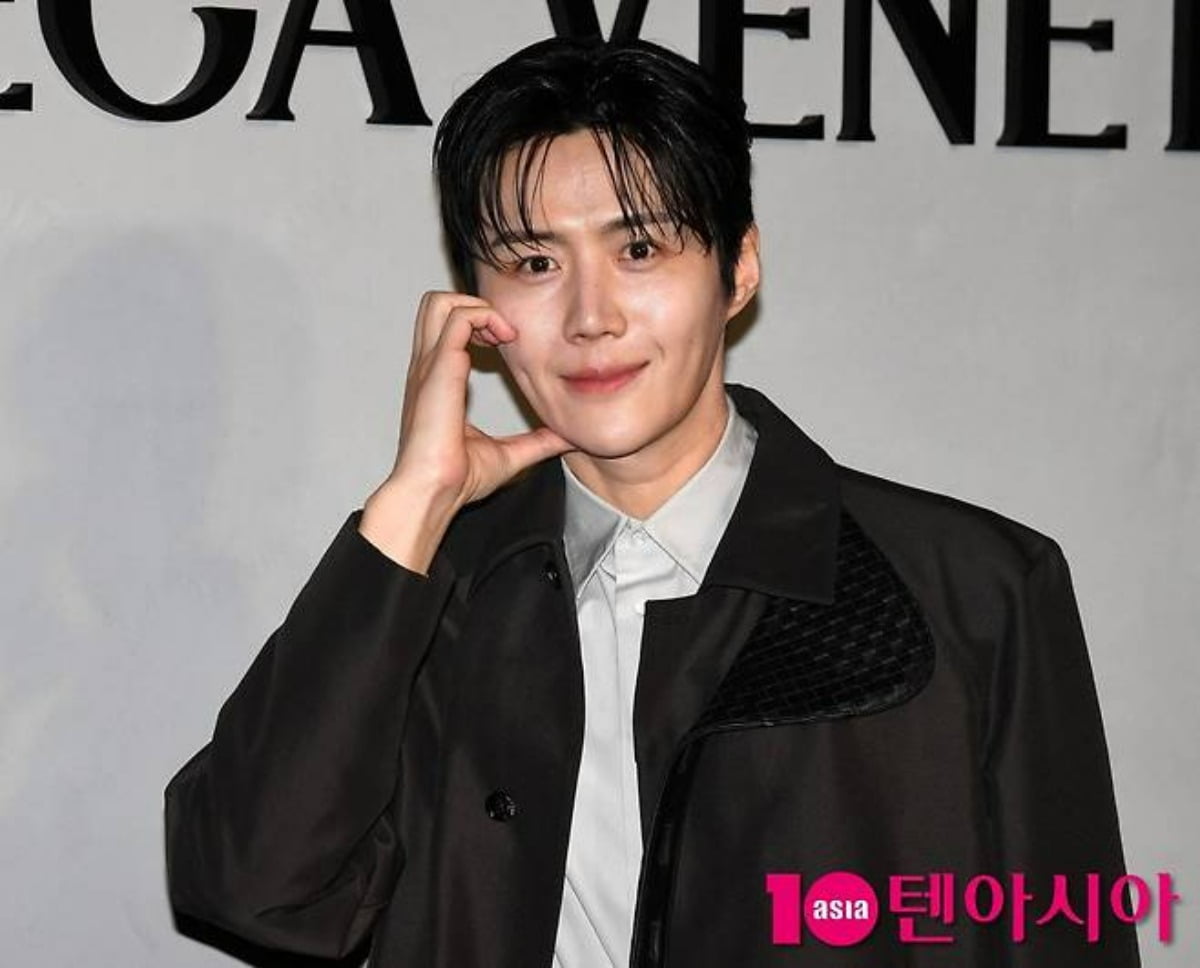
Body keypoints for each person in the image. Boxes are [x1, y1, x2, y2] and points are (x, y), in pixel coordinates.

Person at [164, 35, 1140, 968]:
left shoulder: (972, 590)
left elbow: (1066, 934)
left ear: (737, 268)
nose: (591, 317)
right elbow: (253, 886)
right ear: (479, 306)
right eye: (535, 263)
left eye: (639, 249)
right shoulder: (432, 589)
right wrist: (411, 504)